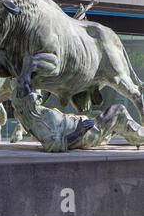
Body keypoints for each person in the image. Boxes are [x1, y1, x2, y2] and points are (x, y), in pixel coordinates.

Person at [11, 56, 144, 152]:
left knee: (100, 115)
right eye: (34, 95)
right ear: (28, 102)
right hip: (84, 134)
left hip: (82, 127)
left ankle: (126, 134)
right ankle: (139, 136)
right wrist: (79, 131)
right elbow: (54, 145)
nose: (37, 96)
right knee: (118, 111)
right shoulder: (37, 121)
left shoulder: (32, 113)